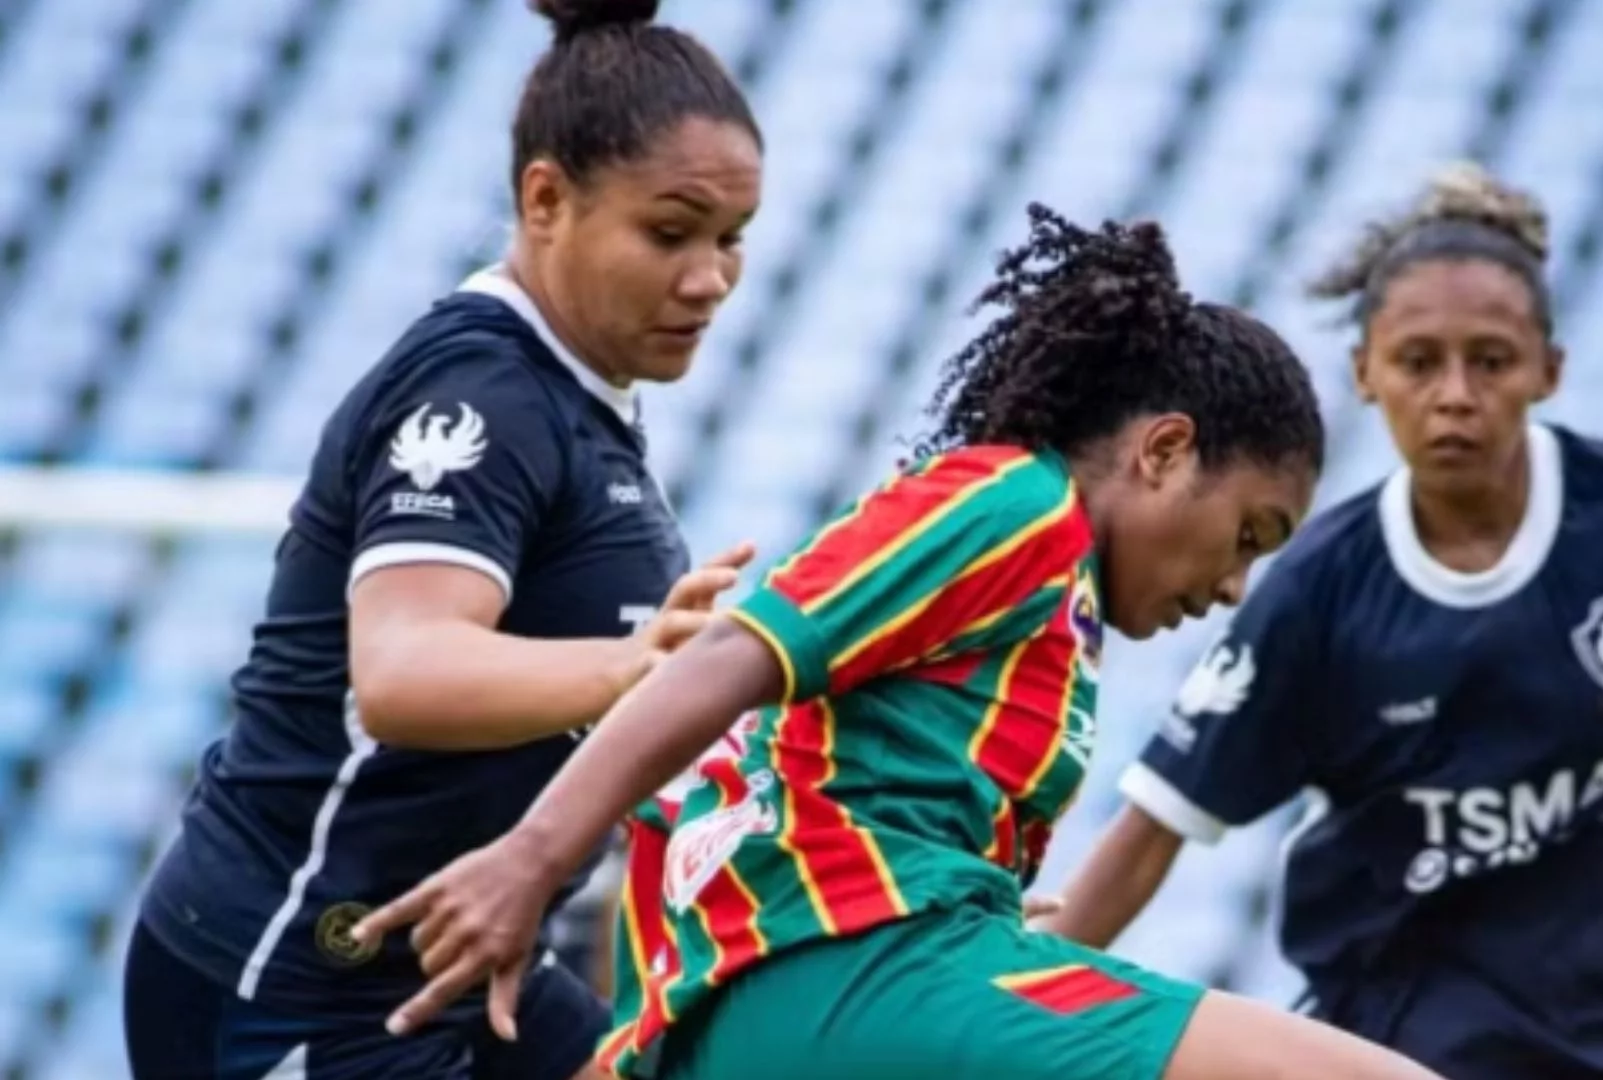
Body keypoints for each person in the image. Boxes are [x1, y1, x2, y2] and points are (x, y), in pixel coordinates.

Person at [350, 203, 1447, 1080]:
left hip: (836, 984)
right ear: (1163, 451)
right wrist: (535, 861)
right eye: (1245, 533)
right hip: (851, 980)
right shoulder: (1015, 503)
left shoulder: (1051, 591)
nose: (1233, 586)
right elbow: (734, 657)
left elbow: (796, 779)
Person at [1034, 164, 1603, 1080]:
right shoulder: (1320, 589)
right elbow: (1146, 846)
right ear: (1367, 374)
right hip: (1405, 1052)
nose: (1455, 393)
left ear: (1549, 368)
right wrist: (1003, 1007)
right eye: (1419, 362)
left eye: (1491, 360)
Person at [121, 2, 762, 1077]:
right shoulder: (481, 393)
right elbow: (403, 672)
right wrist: (632, 670)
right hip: (294, 980)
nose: (708, 279)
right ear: (545, 199)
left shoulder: (578, 395)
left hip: (439, 967)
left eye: (730, 239)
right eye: (670, 233)